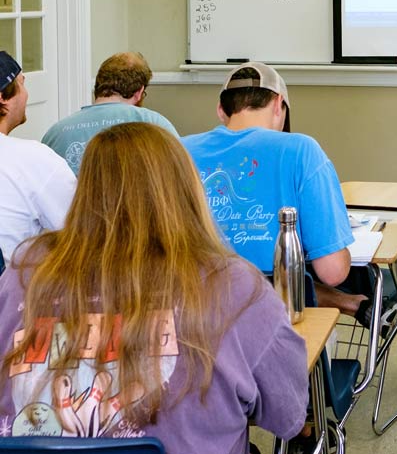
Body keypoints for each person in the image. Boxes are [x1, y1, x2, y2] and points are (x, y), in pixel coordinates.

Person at [0, 122, 307, 451]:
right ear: (185, 188)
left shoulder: (27, 270)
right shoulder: (234, 286)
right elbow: (287, 416)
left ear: (84, 191)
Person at [181, 62, 354, 300]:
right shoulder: (302, 150)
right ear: (277, 104)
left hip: (192, 310)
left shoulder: (178, 149)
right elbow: (333, 272)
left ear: (221, 110)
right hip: (278, 314)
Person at [42, 51, 178, 173]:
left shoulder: (55, 133)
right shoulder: (156, 125)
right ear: (139, 92)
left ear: (98, 85)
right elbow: (181, 174)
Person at [0, 51, 76, 263]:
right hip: (12, 292)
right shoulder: (33, 159)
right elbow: (80, 231)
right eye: (22, 84)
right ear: (3, 98)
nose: (26, 93)